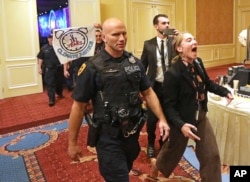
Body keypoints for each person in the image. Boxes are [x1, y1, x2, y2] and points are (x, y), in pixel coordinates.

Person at [67, 17, 170, 182]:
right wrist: (72, 143)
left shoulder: (134, 62)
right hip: (108, 137)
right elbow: (78, 107)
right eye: (116, 34)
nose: (122, 38)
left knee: (126, 167)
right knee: (119, 177)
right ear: (104, 37)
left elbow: (148, 93)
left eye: (124, 33)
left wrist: (162, 120)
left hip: (132, 133)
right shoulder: (92, 67)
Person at [155, 32, 234, 181]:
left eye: (195, 39)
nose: (194, 42)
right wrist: (181, 125)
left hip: (201, 117)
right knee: (172, 151)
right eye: (189, 40)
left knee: (211, 155)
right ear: (179, 48)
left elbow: (207, 83)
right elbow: (169, 107)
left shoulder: (198, 63)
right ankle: (156, 169)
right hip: (182, 120)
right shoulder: (173, 73)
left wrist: (225, 92)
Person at [140, 14, 178, 158]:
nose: (167, 25)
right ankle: (150, 143)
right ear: (156, 26)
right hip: (154, 87)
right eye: (163, 23)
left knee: (168, 116)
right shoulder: (148, 44)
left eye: (168, 23)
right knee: (151, 118)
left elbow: (182, 59)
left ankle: (163, 143)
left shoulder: (174, 43)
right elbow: (143, 65)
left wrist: (179, 38)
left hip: (170, 87)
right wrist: (141, 87)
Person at [37, 33, 64, 106]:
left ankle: (59, 93)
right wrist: (39, 67)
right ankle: (51, 99)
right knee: (50, 84)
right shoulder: (44, 48)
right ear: (48, 39)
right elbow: (40, 58)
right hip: (49, 69)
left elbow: (65, 57)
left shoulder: (59, 47)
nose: (52, 39)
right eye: (50, 38)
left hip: (58, 68)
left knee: (59, 83)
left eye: (53, 38)